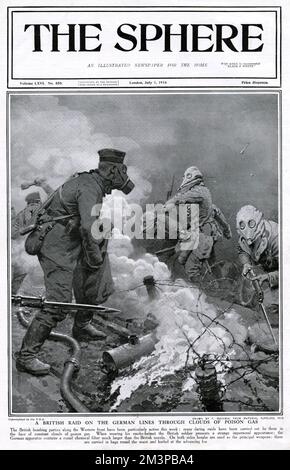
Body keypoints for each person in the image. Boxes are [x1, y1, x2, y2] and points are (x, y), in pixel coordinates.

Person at [16, 148, 135, 376]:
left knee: (95, 279)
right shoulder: (90, 186)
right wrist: (94, 257)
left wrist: (95, 263)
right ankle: (26, 356)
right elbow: (88, 228)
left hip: (70, 241)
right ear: (112, 170)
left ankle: (81, 326)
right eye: (119, 174)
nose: (113, 189)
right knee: (58, 303)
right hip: (55, 245)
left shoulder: (91, 182)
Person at [164, 166, 232, 283]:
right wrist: (227, 231)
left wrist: (169, 203)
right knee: (211, 262)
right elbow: (218, 214)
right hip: (206, 234)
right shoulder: (204, 197)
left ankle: (205, 291)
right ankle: (221, 285)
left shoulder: (199, 191)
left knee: (190, 266)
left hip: (203, 235)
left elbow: (182, 197)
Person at [236, 204, 278, 289]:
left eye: (254, 242)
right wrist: (246, 263)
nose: (251, 245)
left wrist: (269, 277)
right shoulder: (244, 238)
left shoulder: (277, 237)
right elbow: (243, 250)